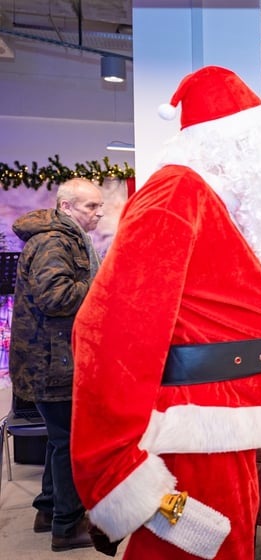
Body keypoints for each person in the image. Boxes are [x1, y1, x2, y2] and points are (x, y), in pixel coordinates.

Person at [70, 66, 261, 559]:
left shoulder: (213, 205)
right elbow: (107, 330)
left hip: (226, 428)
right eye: (260, 143)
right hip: (192, 441)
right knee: (191, 547)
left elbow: (207, 297)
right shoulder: (177, 194)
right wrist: (122, 471)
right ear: (235, 145)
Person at [9, 179, 103, 551]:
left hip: (53, 357)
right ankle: (66, 525)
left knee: (58, 439)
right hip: (53, 361)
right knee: (68, 443)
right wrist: (104, 288)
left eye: (99, 206)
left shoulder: (67, 237)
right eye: (90, 207)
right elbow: (56, 297)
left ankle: (48, 509)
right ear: (67, 207)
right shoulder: (54, 241)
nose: (98, 213)